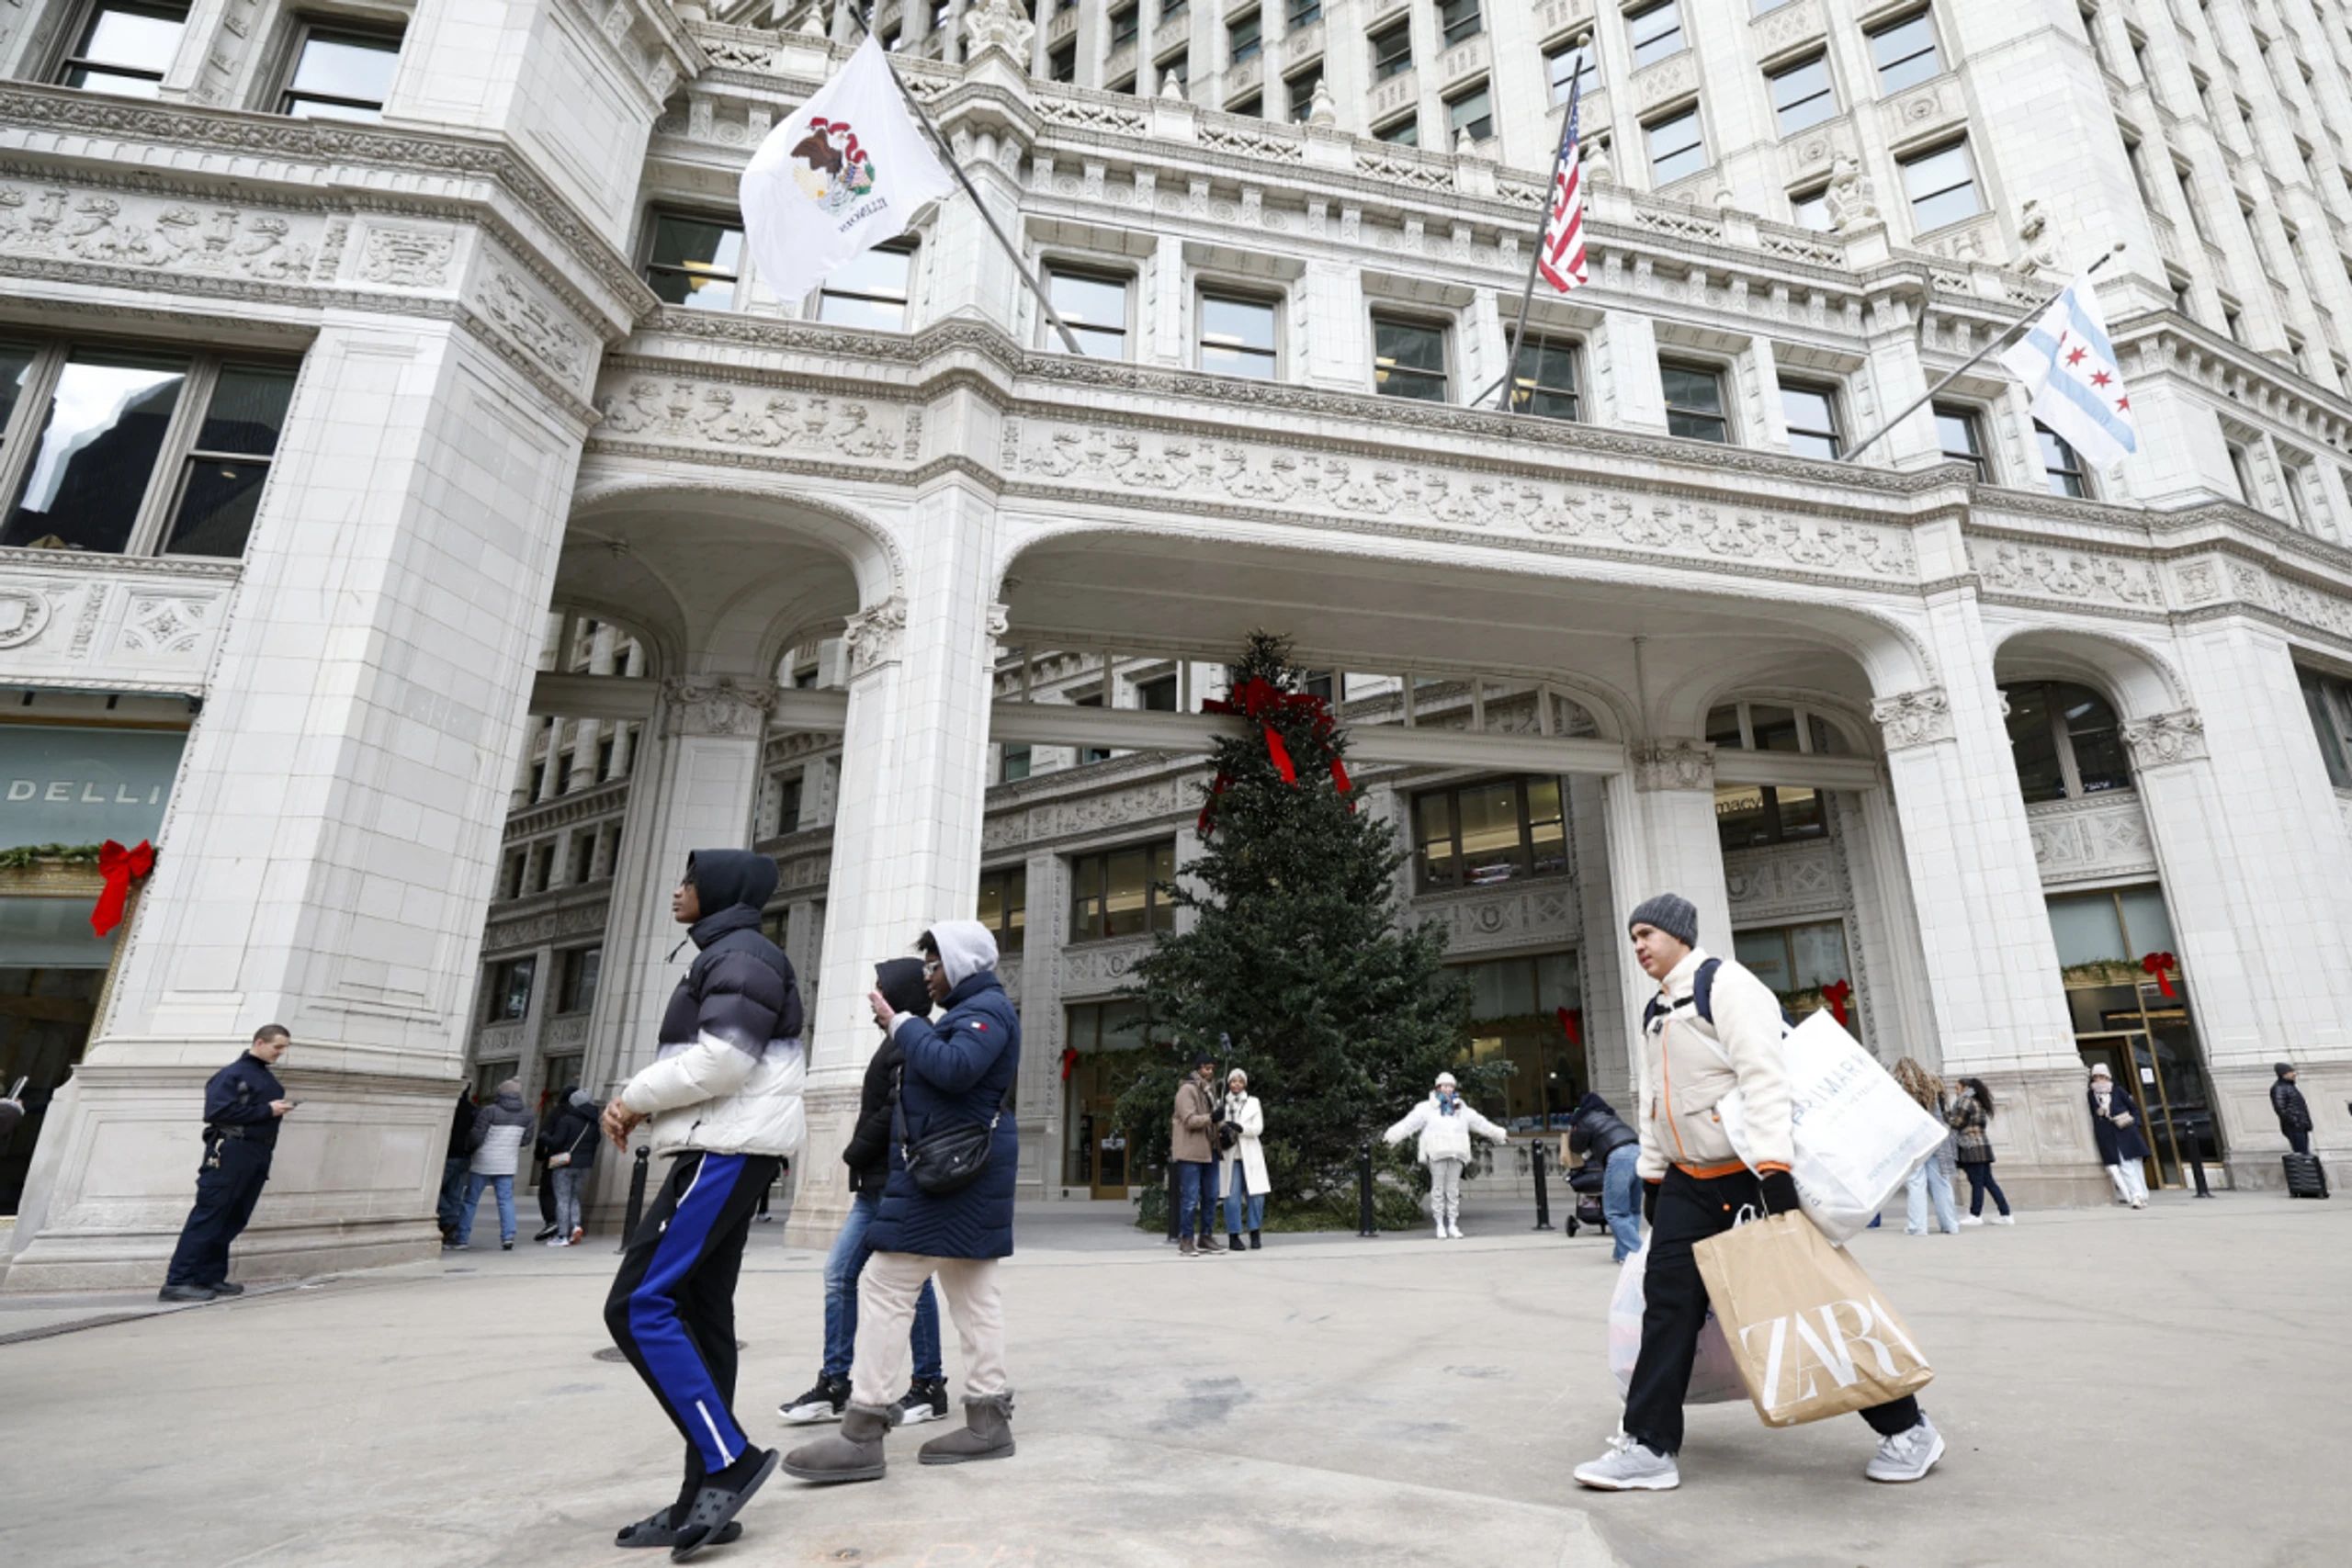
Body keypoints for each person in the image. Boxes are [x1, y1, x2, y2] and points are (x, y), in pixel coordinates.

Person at [1575, 893, 1942, 1492]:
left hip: (1747, 1174)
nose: (1638, 945)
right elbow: (1653, 1100)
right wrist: (1650, 1172)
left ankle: (1909, 1428)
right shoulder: (1656, 1009)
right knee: (1666, 1308)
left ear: (1678, 934)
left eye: (1647, 933)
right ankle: (1648, 1447)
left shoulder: (1728, 985)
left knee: (1803, 1305)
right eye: (1633, 935)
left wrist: (1774, 1169)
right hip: (1688, 1183)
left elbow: (1764, 1077)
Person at [601, 849, 804, 1555]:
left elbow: (724, 1059)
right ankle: (701, 1493)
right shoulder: (728, 952)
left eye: (687, 881)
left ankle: (731, 1459)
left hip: (725, 1148)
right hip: (725, 1144)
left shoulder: (742, 955)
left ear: (716, 890)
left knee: (637, 1305)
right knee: (698, 1310)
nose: (676, 890)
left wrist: (631, 1096)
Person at [782, 919, 1022, 1483]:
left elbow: (956, 1069)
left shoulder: (985, 1012)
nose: (928, 976)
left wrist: (903, 1024)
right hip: (958, 1175)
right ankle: (989, 1420)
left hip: (950, 1178)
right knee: (972, 1291)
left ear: (960, 964)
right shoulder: (971, 1011)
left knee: (885, 1284)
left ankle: (863, 1432)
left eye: (934, 965)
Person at [777, 957, 949, 1429]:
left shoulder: (910, 1044)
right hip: (877, 1188)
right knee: (847, 1276)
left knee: (905, 1283)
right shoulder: (897, 1042)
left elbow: (896, 1109)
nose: (872, 1001)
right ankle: (837, 1384)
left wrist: (853, 1150)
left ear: (900, 997)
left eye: (880, 991)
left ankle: (927, 1385)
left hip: (893, 1185)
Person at [159, 1024, 295, 1303]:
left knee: (234, 1215)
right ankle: (178, 1281)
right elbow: (215, 1111)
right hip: (231, 1150)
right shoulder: (232, 1074)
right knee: (210, 1213)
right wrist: (267, 1110)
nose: (281, 1053)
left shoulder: (261, 1076)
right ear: (259, 1042)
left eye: (284, 1048)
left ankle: (209, 1276)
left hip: (256, 1152)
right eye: (277, 1047)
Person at [1383, 1071, 1509, 1238]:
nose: (1448, 1089)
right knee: (1438, 1188)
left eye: (1450, 1086)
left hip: (1457, 1152)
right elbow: (1409, 1124)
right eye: (1444, 1085)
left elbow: (1481, 1124)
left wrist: (1499, 1134)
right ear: (1438, 1087)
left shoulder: (1462, 1109)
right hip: (1437, 1152)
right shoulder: (1426, 1108)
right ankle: (1439, 1224)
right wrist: (1391, 1137)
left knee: (1453, 1190)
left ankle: (1452, 1224)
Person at [454, 1078, 532, 1251]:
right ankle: (508, 1236)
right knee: (506, 1200)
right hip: (507, 1163)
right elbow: (526, 1140)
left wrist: (471, 1149)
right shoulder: (527, 1115)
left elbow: (477, 1135)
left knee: (470, 1201)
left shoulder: (489, 1111)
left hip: (483, 1161)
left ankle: (462, 1238)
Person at [1567, 1091, 1643, 1262]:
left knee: (1615, 1212)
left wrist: (1573, 1128)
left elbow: (1576, 1147)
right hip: (1639, 1151)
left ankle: (1637, 1254)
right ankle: (1623, 1253)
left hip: (1619, 1156)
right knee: (1632, 1209)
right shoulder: (1611, 1117)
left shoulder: (1586, 1119)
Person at [1894, 1058, 1961, 1237]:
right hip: (1935, 1138)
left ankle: (1918, 1227)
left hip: (1914, 1141)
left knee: (1916, 1183)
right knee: (1942, 1183)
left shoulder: (1899, 1090)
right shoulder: (1931, 1086)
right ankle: (1950, 1225)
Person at [1170, 1053, 1227, 1258]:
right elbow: (1190, 1120)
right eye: (1206, 1068)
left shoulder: (1210, 1090)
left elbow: (1213, 1119)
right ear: (1198, 1068)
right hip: (1191, 1151)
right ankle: (1186, 1240)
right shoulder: (1187, 1090)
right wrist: (1212, 1118)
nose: (1209, 1072)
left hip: (1210, 1150)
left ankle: (1206, 1236)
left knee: (1211, 1196)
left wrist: (1225, 1126)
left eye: (1212, 1068)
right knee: (1191, 1198)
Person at [540, 1083, 601, 1247]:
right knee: (574, 1198)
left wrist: (545, 1137)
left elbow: (556, 1143)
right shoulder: (594, 1123)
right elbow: (596, 1142)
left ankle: (562, 1235)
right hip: (585, 1165)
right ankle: (575, 1226)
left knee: (562, 1199)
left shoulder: (567, 1120)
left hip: (565, 1164)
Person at [1947, 1077, 2012, 1225]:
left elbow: (1958, 1123)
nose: (1956, 1092)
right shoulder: (1977, 1101)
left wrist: (1945, 1116)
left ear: (1965, 1088)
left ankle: (1975, 1215)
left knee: (1977, 1181)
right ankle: (2005, 1213)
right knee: (1988, 1182)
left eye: (1957, 1088)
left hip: (1971, 1147)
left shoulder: (1965, 1101)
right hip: (1982, 1146)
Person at [1218, 1068, 1269, 1250]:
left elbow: (1258, 1128)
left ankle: (1255, 1232)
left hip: (1250, 1154)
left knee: (1256, 1196)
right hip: (1231, 1155)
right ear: (1229, 1084)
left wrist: (1240, 1128)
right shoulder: (1221, 1103)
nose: (1236, 1085)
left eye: (1240, 1081)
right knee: (1231, 1197)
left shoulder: (1253, 1102)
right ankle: (1234, 1235)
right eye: (1233, 1081)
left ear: (1245, 1084)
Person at [2088, 1064, 2150, 1208]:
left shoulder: (2117, 1091)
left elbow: (2134, 1108)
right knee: (2124, 1165)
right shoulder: (2091, 1094)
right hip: (2109, 1135)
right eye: (2096, 1077)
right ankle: (2136, 1195)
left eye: (2101, 1076)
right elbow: (2094, 1113)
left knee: (2135, 1164)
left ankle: (2143, 1194)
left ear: (2107, 1076)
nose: (2099, 1080)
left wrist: (2134, 1123)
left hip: (2127, 1131)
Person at [436, 1089, 475, 1246]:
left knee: (434, 1189)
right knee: (455, 1193)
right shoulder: (474, 1110)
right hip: (464, 1156)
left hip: (449, 1153)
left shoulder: (450, 1107)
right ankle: (450, 1225)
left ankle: (449, 1219)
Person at [2272, 1063, 2314, 1156]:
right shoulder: (2279, 1088)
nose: (2294, 1074)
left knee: (2304, 1153)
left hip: (2300, 1125)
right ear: (2283, 1074)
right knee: (2301, 1154)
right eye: (2290, 1072)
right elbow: (2280, 1108)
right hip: (2294, 1127)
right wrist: (2295, 1121)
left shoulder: (2290, 1086)